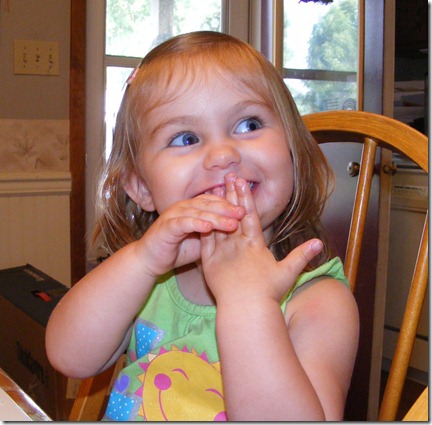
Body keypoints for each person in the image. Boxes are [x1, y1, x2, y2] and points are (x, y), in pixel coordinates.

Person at [46, 31, 359, 421]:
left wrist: (249, 301)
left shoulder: (318, 301)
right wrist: (142, 260)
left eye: (248, 124)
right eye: (186, 138)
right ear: (141, 187)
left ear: (293, 152)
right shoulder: (147, 280)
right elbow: (69, 358)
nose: (223, 154)